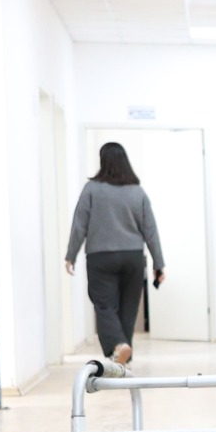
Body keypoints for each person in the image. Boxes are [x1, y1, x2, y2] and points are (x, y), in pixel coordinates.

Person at [64, 142, 166, 365]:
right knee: (128, 308)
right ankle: (122, 356)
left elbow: (79, 225)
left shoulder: (91, 189)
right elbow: (150, 230)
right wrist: (158, 263)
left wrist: (71, 255)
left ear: (103, 161)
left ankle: (119, 346)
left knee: (104, 305)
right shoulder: (137, 192)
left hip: (100, 257)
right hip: (132, 256)